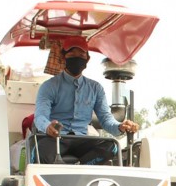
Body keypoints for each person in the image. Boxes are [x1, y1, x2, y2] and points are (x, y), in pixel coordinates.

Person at [33, 36, 139, 165]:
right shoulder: (49, 86)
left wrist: (120, 126)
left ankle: (80, 170)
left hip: (83, 140)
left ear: (87, 59)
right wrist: (48, 127)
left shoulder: (95, 88)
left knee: (111, 147)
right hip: (56, 139)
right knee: (41, 151)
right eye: (72, 53)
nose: (77, 57)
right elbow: (40, 117)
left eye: (81, 54)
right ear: (63, 56)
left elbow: (106, 119)